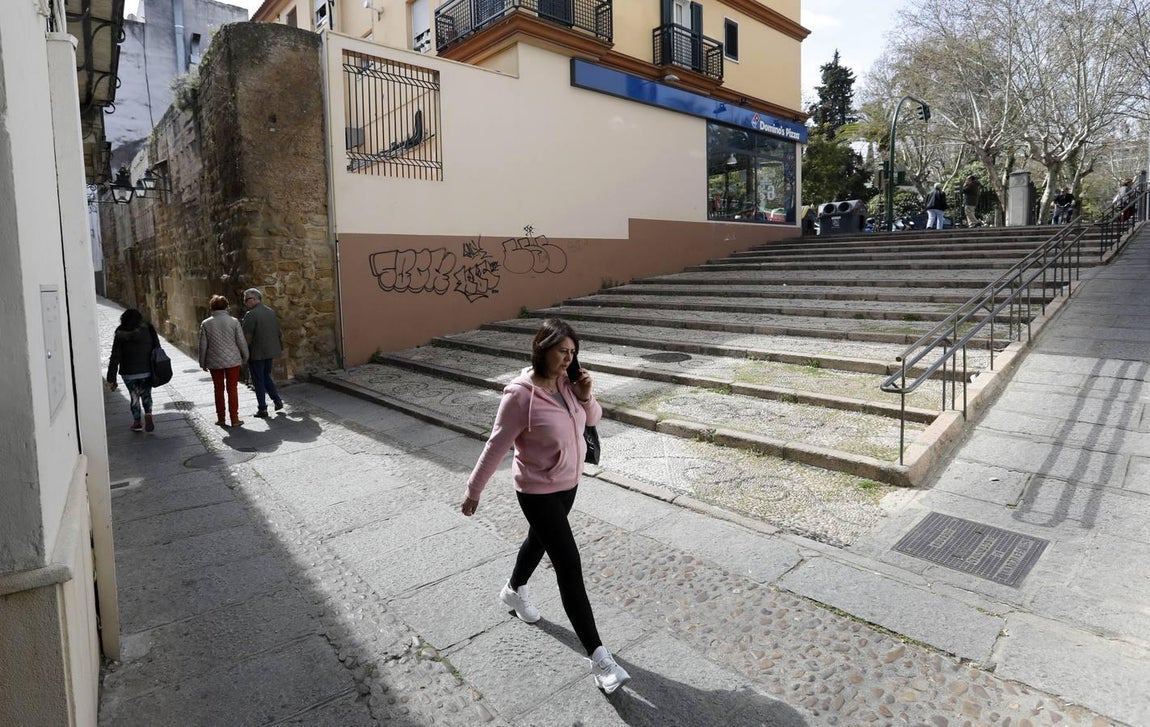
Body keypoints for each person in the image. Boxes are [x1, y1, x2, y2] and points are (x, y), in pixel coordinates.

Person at [460, 319, 630, 695]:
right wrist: (474, 491)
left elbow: (593, 419)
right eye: (561, 352)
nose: (568, 359)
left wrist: (586, 395)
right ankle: (601, 659)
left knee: (538, 543)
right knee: (568, 564)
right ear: (542, 349)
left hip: (568, 485)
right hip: (536, 490)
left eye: (572, 353)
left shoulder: (569, 383)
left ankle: (513, 588)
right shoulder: (520, 396)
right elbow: (496, 444)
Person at [199, 295, 249, 427]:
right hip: (232, 359)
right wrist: (245, 355)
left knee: (218, 389)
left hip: (214, 360)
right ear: (227, 306)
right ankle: (234, 418)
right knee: (232, 389)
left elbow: (203, 345)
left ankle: (221, 418)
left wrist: (202, 362)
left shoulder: (206, 323)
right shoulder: (234, 321)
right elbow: (241, 341)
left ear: (212, 307)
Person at [106, 308, 158, 432]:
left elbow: (115, 356)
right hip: (146, 370)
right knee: (146, 394)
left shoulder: (120, 332)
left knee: (134, 396)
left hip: (128, 372)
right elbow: (157, 347)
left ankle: (137, 421)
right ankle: (149, 414)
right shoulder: (148, 329)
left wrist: (111, 378)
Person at [241, 287, 284, 418]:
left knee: (258, 381)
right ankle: (277, 400)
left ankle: (262, 408)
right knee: (265, 376)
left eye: (246, 299)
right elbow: (278, 332)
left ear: (255, 299)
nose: (245, 302)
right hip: (270, 351)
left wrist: (244, 353)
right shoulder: (270, 311)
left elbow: (246, 336)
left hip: (257, 353)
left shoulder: (251, 314)